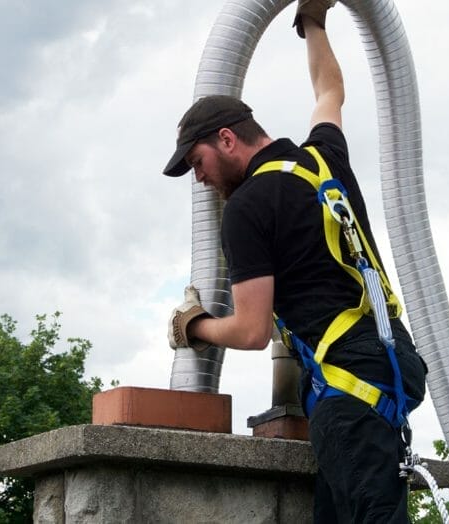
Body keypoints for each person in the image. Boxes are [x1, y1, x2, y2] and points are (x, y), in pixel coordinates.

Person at [163, 1, 427, 522]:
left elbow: (252, 330)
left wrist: (195, 326)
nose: (199, 178)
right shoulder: (321, 158)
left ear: (227, 139)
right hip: (389, 366)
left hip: (349, 393)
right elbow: (331, 91)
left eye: (197, 163)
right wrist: (314, 22)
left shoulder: (246, 209)